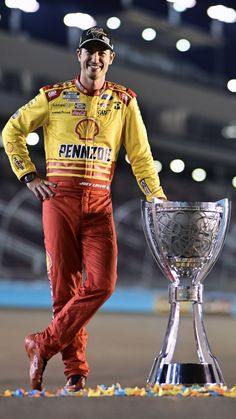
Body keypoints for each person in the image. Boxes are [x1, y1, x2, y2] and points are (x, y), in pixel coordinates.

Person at [2, 26, 167, 392]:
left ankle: (41, 344)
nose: (95, 58)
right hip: (58, 200)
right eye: (88, 51)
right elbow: (11, 130)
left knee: (103, 284)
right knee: (64, 290)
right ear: (79, 56)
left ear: (111, 59)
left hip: (99, 204)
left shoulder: (124, 101)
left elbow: (140, 156)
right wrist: (28, 176)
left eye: (101, 53)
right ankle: (76, 375)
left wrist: (156, 195)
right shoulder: (53, 96)